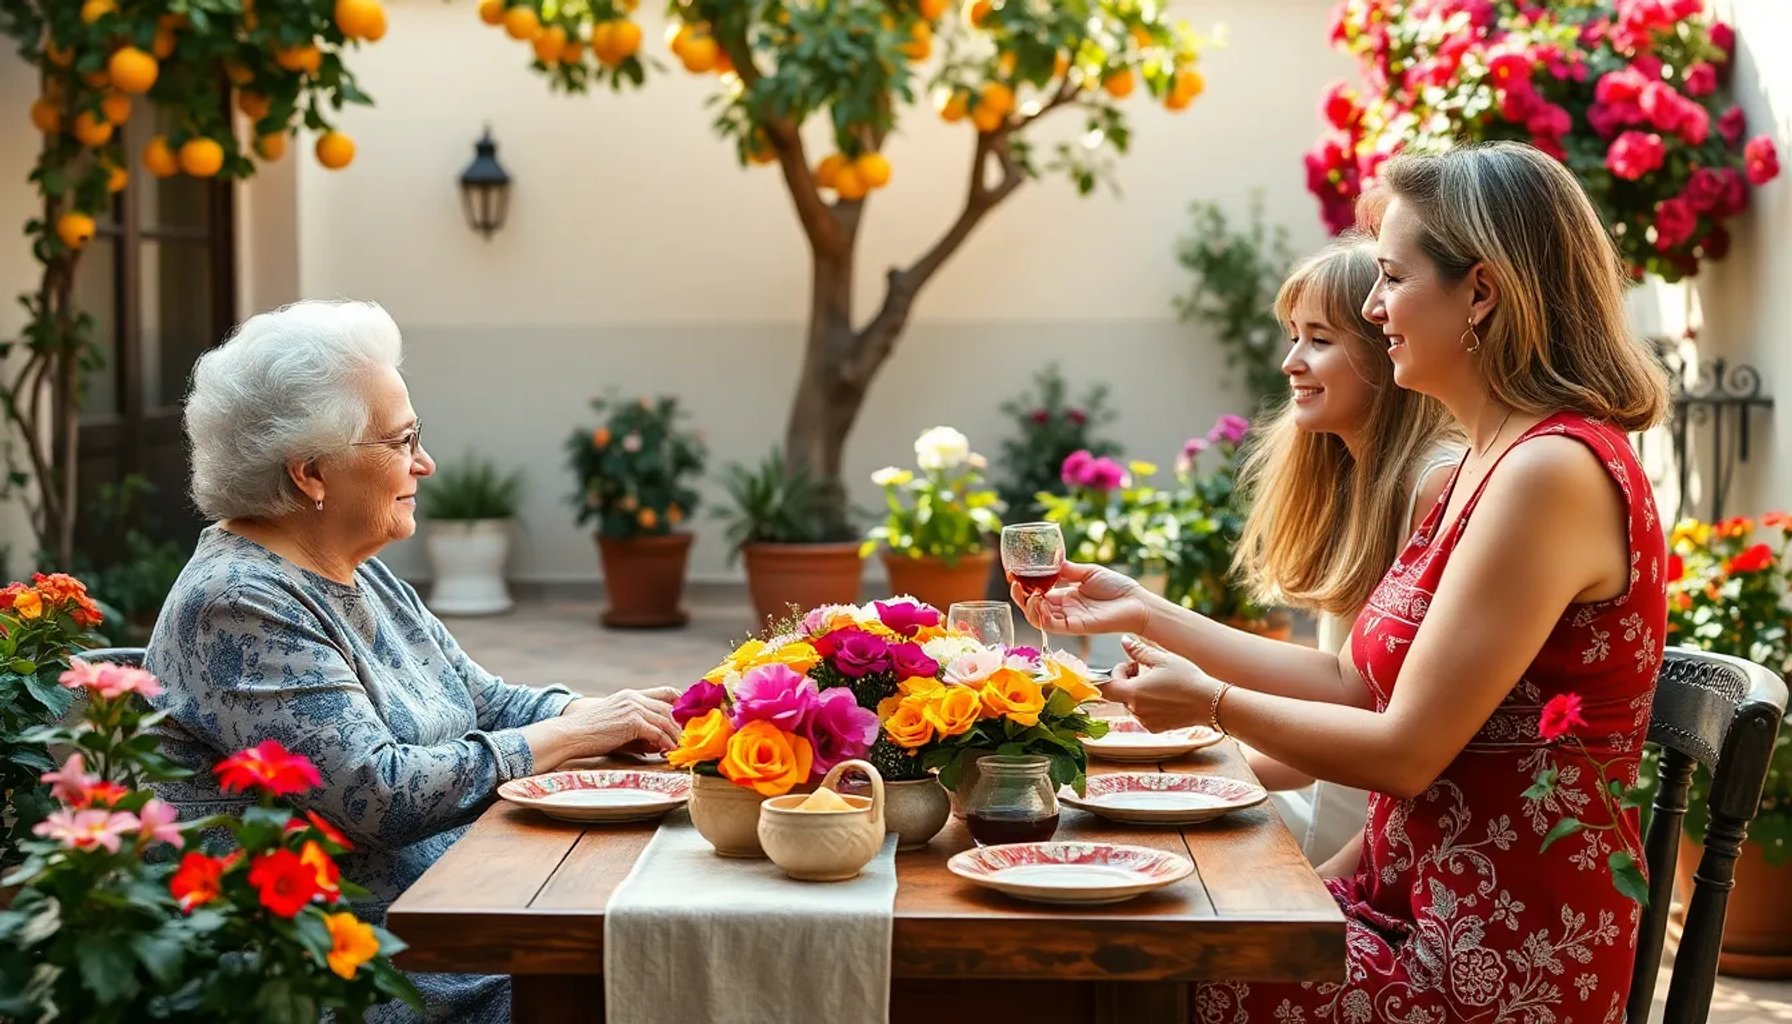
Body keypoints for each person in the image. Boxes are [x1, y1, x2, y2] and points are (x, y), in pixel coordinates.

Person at [1019, 142, 1668, 1020]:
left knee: (1128, 967)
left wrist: (1211, 702)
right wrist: (1148, 609)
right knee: (1121, 937)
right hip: (1400, 906)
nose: (1373, 304)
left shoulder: (1546, 473)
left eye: (1393, 279)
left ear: (1480, 292)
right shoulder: (1488, 458)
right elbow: (1353, 685)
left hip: (1489, 958)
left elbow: (1403, 752)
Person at [147, 300, 682, 1023]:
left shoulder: (350, 567)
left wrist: (605, 715)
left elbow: (484, 701)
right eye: (402, 441)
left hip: (450, 916)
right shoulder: (240, 603)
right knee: (650, 983)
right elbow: (379, 793)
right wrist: (569, 739)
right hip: (358, 970)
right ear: (312, 473)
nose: (425, 463)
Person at [1231, 236, 1459, 868]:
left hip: (1381, 850)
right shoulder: (1358, 482)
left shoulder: (1433, 485)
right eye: (1293, 335)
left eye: (1320, 339)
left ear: (1385, 349)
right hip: (1336, 814)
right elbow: (1340, 698)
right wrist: (1204, 764)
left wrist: (1325, 895)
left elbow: (1409, 740)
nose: (1291, 362)